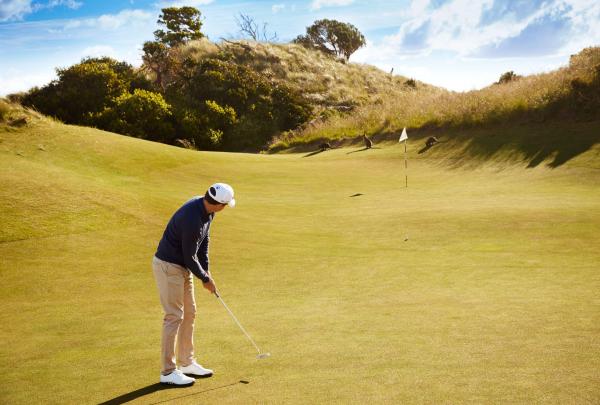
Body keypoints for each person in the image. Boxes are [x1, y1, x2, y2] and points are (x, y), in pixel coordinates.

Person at [152, 183, 236, 386]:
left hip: (183, 267)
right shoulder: (192, 219)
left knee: (190, 312)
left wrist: (206, 272)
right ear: (219, 204)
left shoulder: (207, 210)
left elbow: (204, 242)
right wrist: (204, 279)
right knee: (174, 316)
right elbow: (190, 256)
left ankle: (187, 362)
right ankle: (168, 371)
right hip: (169, 266)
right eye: (225, 205)